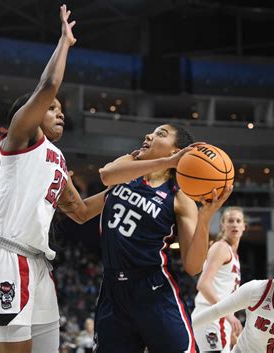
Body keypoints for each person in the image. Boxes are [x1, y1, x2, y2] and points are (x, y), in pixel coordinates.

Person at [0, 5, 105, 353]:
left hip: (37, 262)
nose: (59, 112)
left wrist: (129, 183)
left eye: (61, 111)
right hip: (5, 254)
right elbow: (48, 84)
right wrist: (64, 42)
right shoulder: (21, 139)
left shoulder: (58, 159)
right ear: (29, 113)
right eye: (51, 108)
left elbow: (80, 211)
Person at [93, 123, 233, 353]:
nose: (149, 135)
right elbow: (106, 175)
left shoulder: (179, 196)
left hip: (153, 289)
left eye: (161, 134)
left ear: (175, 151)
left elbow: (193, 266)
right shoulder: (128, 169)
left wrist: (205, 216)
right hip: (112, 289)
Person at [192, 207, 246, 352]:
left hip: (219, 318)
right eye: (230, 221)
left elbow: (225, 293)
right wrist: (228, 314)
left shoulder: (234, 256)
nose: (234, 224)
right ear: (223, 225)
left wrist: (230, 329)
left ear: (244, 226)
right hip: (211, 315)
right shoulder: (221, 248)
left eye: (238, 221)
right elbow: (203, 284)